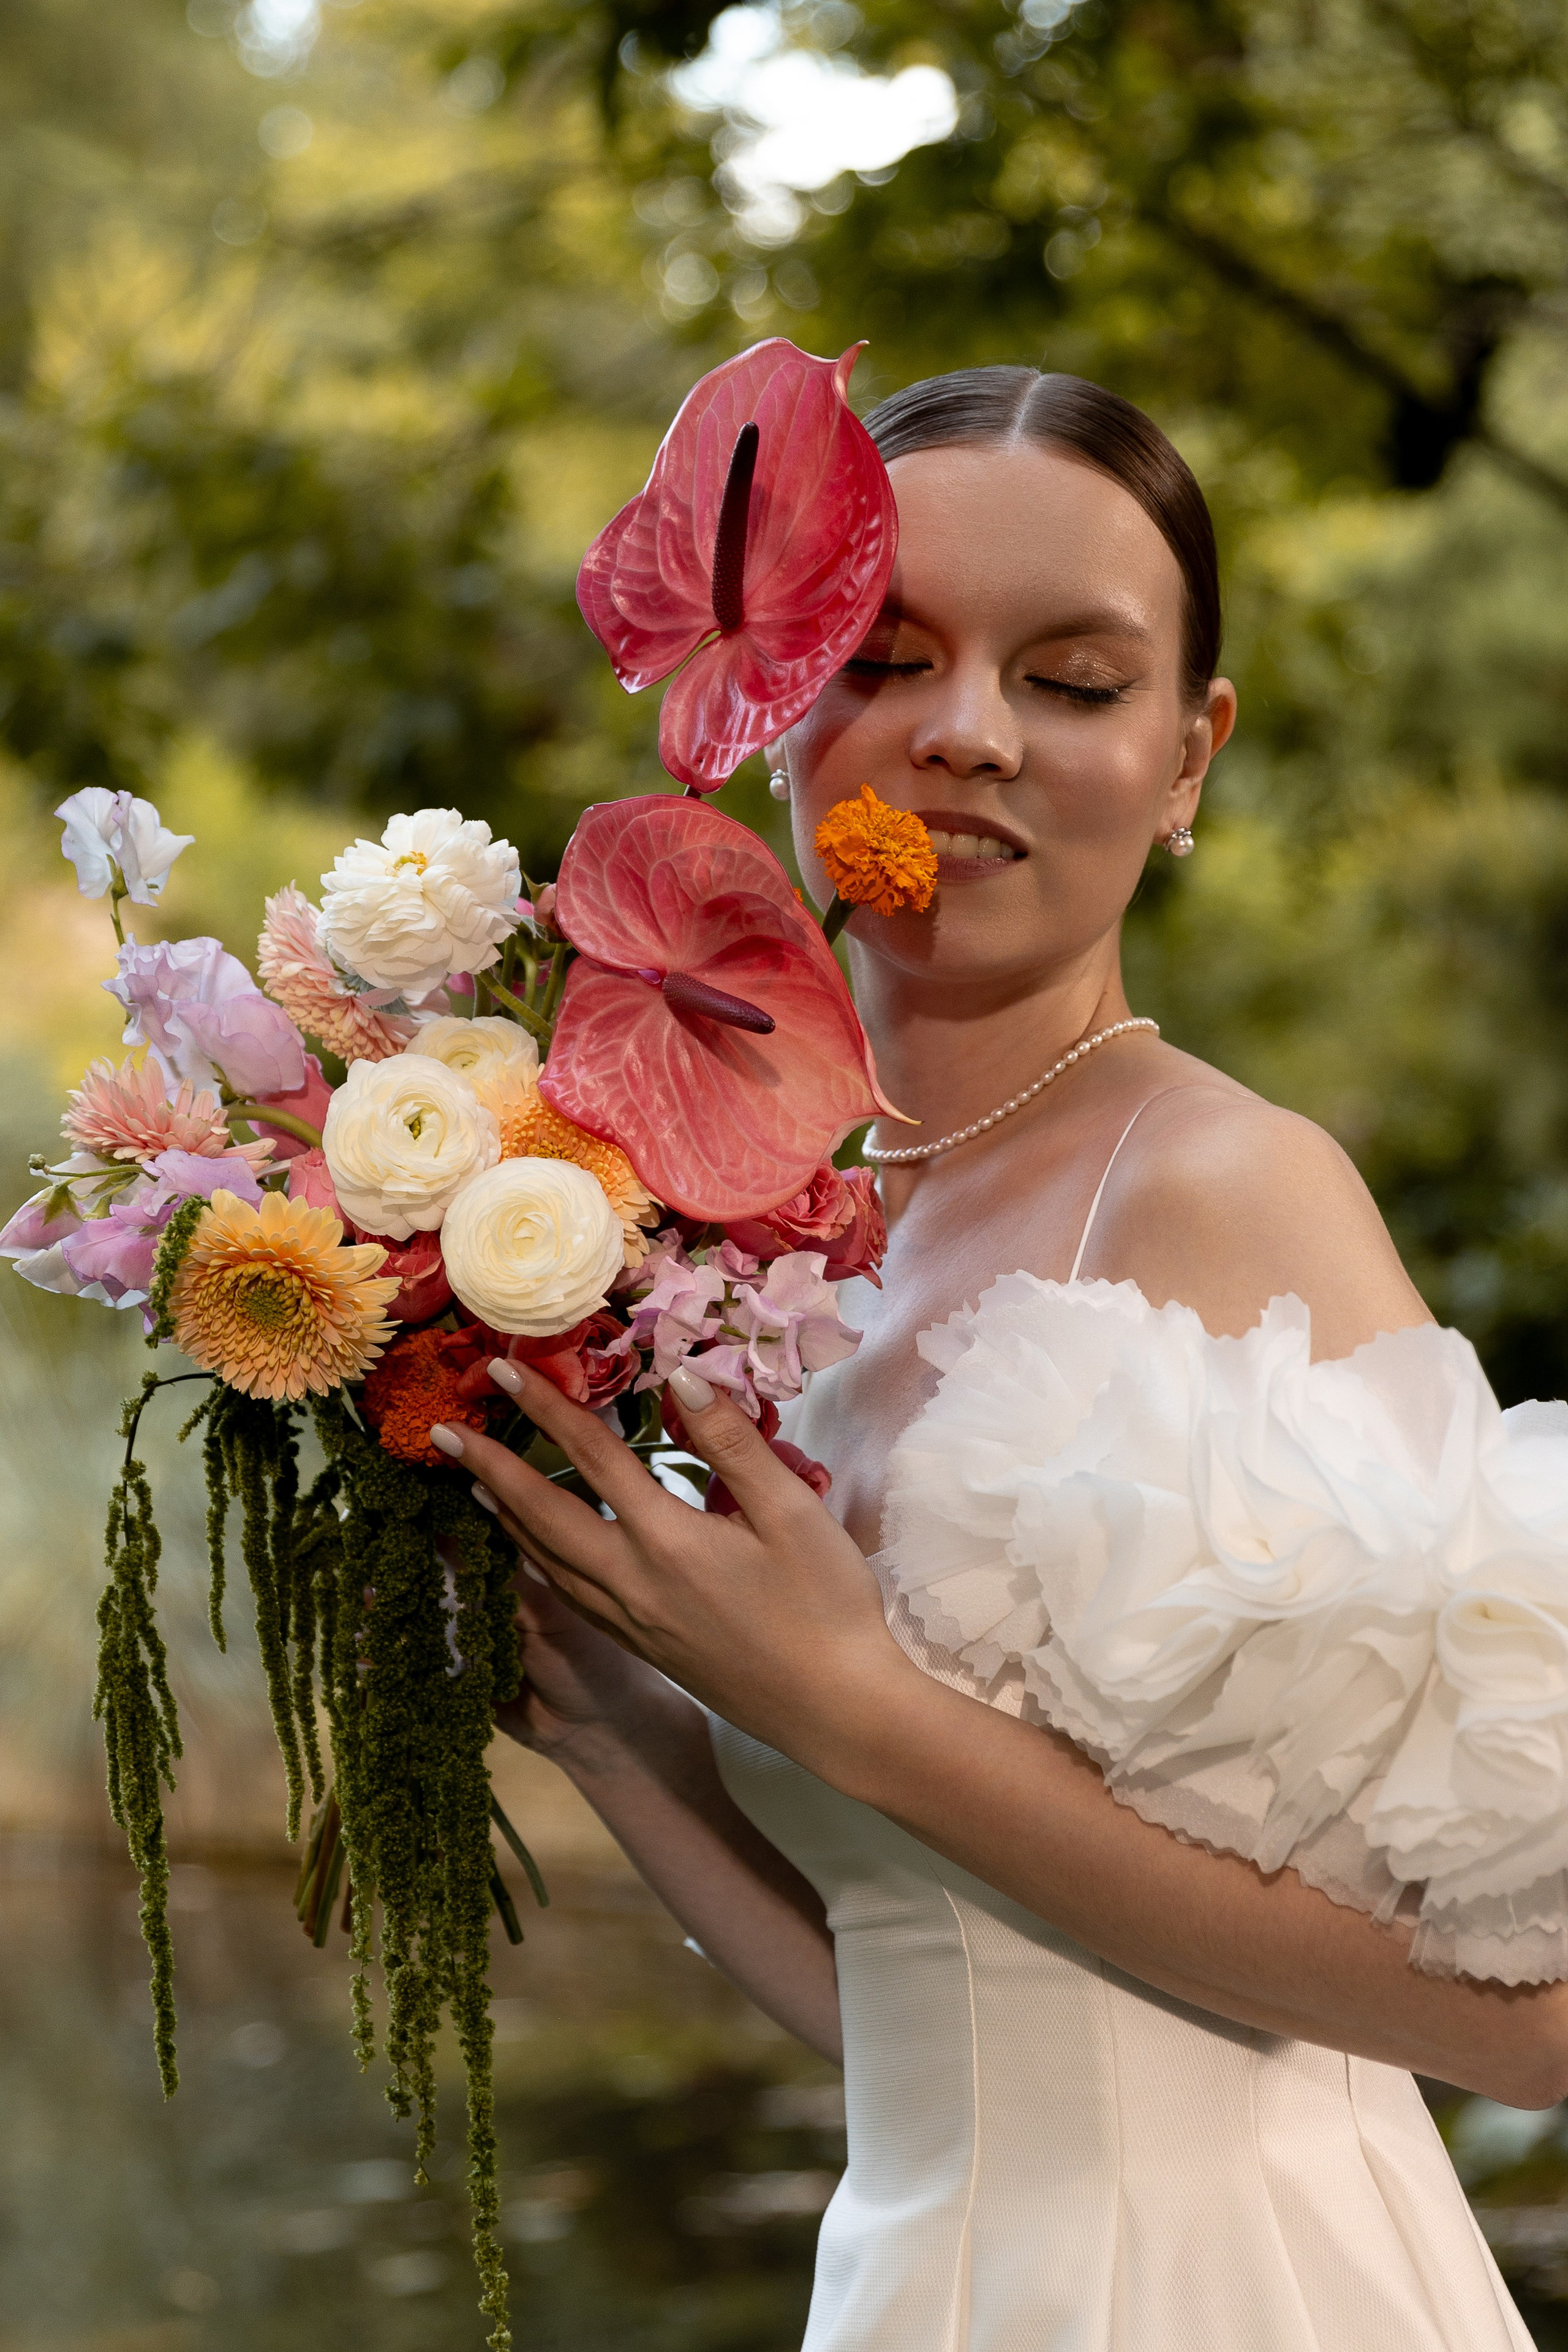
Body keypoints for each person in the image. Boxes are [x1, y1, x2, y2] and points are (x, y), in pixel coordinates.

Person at [431, 368, 1559, 2348]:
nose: (966, 736)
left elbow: (1543, 2018)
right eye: (891, 654)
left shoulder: (1223, 1190)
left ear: (1191, 758)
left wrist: (857, 1707)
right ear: (776, 696)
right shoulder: (773, 1248)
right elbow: (946, 2027)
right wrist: (626, 1731)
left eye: (1075, 679)